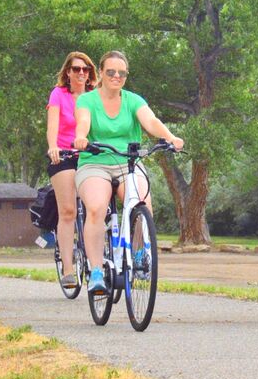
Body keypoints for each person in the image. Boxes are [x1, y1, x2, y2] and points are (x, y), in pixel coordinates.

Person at [74, 50, 184, 295]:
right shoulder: (87, 100)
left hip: (128, 163)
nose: (116, 76)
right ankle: (96, 272)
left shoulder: (133, 100)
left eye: (121, 73)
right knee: (96, 207)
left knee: (141, 202)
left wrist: (170, 137)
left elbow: (151, 121)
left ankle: (139, 255)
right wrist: (81, 137)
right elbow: (83, 121)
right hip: (95, 162)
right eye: (111, 72)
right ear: (101, 73)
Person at [46, 51, 96, 289]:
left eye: (85, 69)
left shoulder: (96, 95)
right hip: (65, 155)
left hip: (90, 155)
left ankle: (101, 259)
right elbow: (52, 126)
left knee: (99, 209)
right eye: (76, 69)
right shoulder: (59, 94)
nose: (81, 73)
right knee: (68, 211)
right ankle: (68, 268)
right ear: (68, 72)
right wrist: (53, 147)